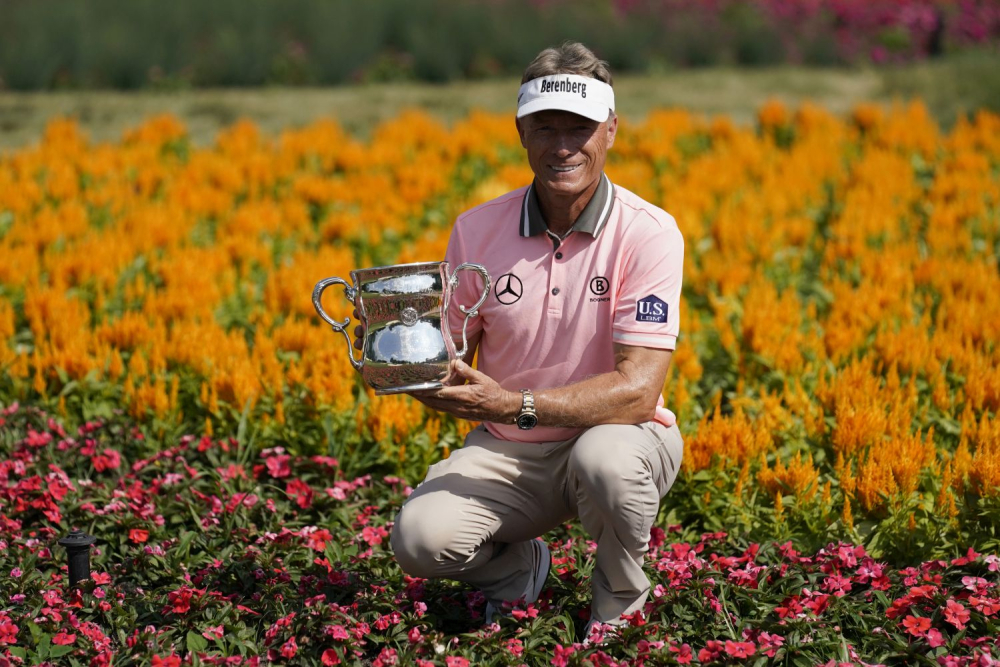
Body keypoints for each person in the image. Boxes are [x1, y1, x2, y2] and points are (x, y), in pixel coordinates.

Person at [374, 42, 685, 639]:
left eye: (581, 127)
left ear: (612, 131)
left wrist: (512, 405)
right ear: (521, 132)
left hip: (617, 436)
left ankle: (620, 601)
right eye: (546, 127)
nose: (563, 145)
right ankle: (517, 574)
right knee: (419, 539)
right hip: (509, 449)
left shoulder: (649, 233)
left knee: (607, 461)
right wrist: (402, 361)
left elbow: (638, 394)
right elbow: (452, 354)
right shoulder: (477, 228)